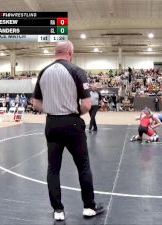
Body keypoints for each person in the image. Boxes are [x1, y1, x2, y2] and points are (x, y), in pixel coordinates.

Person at [32, 41, 104, 221]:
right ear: (70, 52)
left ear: (56, 52)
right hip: (72, 124)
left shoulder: (43, 72)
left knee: (53, 169)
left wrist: (53, 110)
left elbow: (36, 104)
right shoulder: (77, 71)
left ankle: (58, 211)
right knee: (83, 166)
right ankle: (89, 207)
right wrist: (72, 112)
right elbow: (87, 105)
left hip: (52, 124)